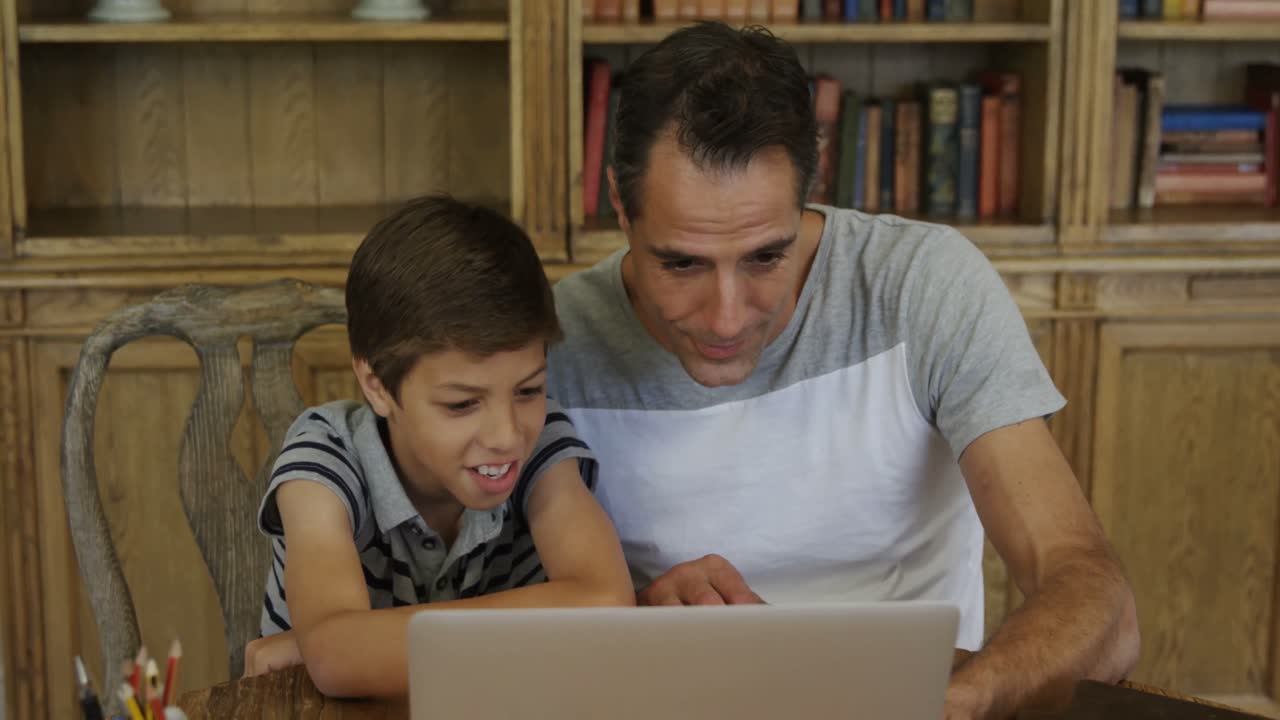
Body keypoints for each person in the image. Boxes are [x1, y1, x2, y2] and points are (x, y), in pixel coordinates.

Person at [546, 22, 1140, 719]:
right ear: (620, 203)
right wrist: (631, 616)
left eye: (767, 256)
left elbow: (1095, 595)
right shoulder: (554, 346)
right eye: (681, 263)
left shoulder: (923, 286)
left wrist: (954, 703)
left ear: (809, 192)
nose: (728, 318)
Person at [242, 195, 634, 697]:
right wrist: (335, 648)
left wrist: (340, 643)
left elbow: (604, 604)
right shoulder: (323, 456)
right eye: (462, 404)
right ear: (377, 384)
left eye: (529, 390)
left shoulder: (544, 447)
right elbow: (339, 659)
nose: (506, 435)